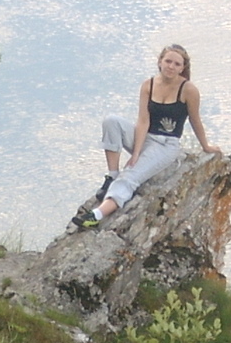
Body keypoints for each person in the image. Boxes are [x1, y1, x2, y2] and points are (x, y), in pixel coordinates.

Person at [71, 44, 221, 231]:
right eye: (168, 61)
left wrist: (205, 145)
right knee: (112, 121)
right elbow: (143, 121)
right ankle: (112, 175)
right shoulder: (148, 85)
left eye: (176, 64)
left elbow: (195, 120)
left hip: (166, 144)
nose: (171, 66)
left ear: (182, 68)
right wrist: (135, 154)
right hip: (146, 137)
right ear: (160, 62)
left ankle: (96, 215)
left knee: (130, 177)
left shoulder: (188, 89)